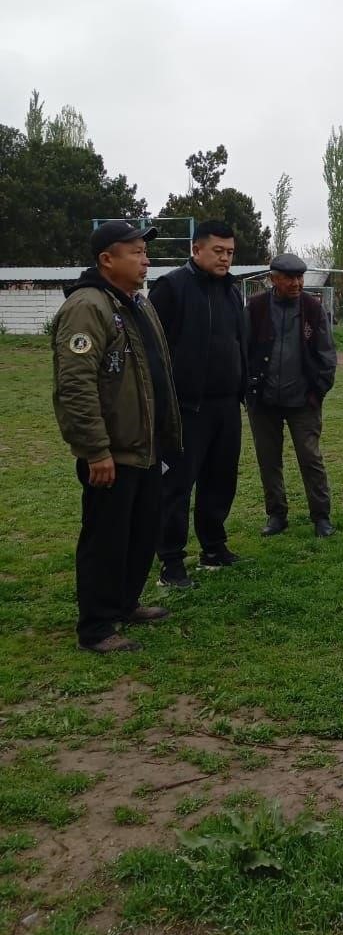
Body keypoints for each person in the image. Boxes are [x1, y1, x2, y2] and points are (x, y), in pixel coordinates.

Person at [52, 221, 181, 653]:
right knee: (105, 539)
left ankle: (125, 603)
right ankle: (96, 627)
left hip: (146, 446)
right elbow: (76, 385)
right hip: (113, 452)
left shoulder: (136, 303)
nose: (146, 260)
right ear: (107, 259)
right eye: (136, 252)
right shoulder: (87, 307)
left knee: (140, 533)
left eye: (145, 252)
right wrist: (95, 450)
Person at [149, 220, 246, 587]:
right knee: (176, 485)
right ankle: (171, 561)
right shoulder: (172, 288)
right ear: (196, 250)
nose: (225, 258)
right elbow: (153, 349)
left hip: (227, 404)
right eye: (218, 251)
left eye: (230, 252)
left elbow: (238, 341)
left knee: (220, 480)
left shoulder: (231, 291)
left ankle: (213, 547)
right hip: (185, 408)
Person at [246, 254, 338, 538]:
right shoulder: (256, 307)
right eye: (289, 278)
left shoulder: (312, 308)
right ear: (273, 279)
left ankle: (321, 516)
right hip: (263, 400)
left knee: (310, 459)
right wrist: (248, 387)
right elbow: (243, 348)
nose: (297, 283)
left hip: (303, 400)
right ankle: (276, 514)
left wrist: (318, 390)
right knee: (268, 460)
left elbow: (327, 353)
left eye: (300, 277)